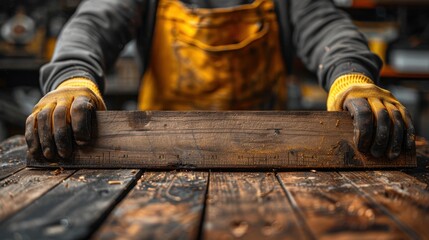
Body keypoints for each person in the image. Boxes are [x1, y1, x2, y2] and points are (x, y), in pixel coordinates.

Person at [25, 0, 414, 161]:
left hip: (271, 153)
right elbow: (94, 23)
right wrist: (72, 79)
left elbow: (327, 26)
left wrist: (352, 77)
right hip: (158, 152)